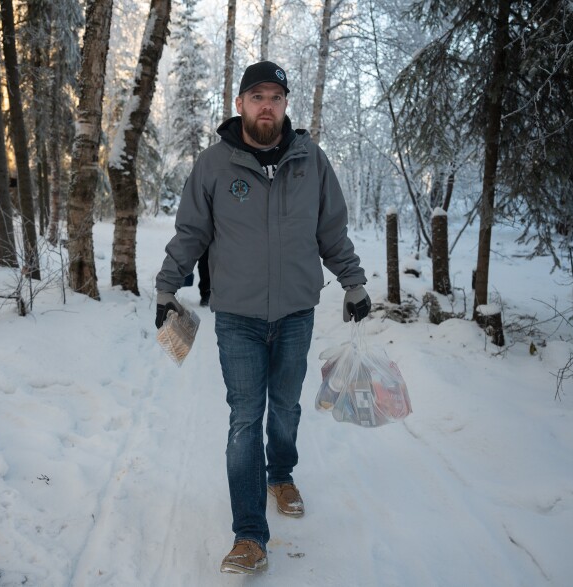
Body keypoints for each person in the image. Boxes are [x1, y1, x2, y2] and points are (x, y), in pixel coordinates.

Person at [154, 61, 370, 574]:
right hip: (238, 316)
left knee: (287, 407)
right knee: (245, 418)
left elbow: (332, 231)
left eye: (275, 96)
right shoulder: (213, 165)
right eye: (257, 96)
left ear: (286, 104)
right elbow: (190, 234)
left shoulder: (311, 161)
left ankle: (283, 474)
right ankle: (249, 536)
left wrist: (354, 281)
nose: (266, 105)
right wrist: (167, 287)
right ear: (240, 105)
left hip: (297, 311)